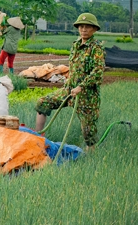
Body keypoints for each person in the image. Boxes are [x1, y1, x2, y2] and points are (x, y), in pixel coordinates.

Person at [34, 13, 105, 147]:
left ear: (94, 29)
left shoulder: (96, 48)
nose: (83, 29)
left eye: (87, 27)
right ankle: (38, 140)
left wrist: (81, 87)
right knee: (43, 103)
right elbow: (74, 68)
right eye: (81, 26)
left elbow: (97, 73)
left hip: (86, 96)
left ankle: (92, 157)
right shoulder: (75, 45)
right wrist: (68, 80)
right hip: (69, 91)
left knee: (88, 132)